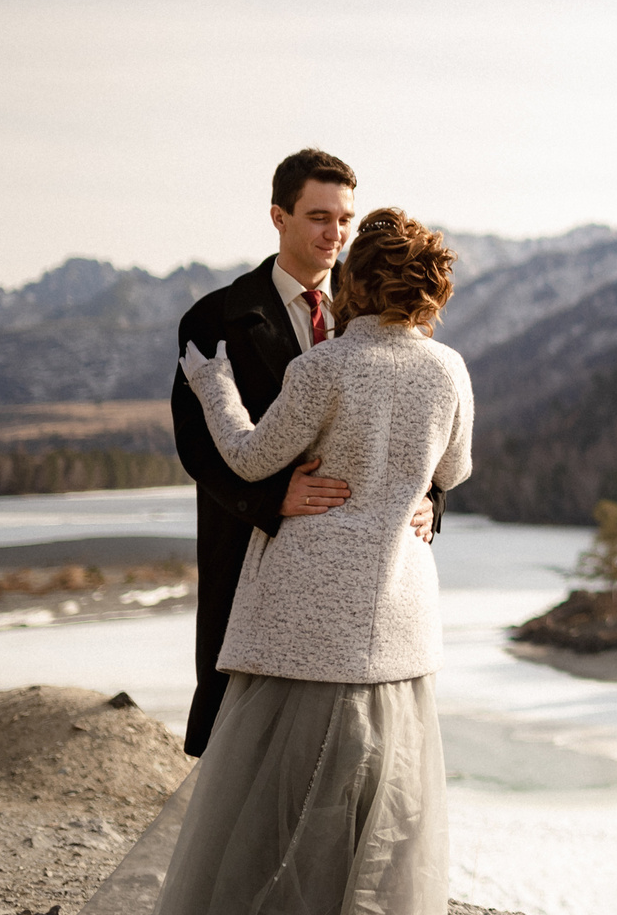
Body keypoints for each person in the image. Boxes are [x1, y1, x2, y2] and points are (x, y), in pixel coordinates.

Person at [79, 207, 474, 915]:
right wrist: (411, 490)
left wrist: (213, 386)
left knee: (274, 797)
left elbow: (252, 455)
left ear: (359, 280)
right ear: (430, 289)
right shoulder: (450, 370)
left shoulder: (327, 365)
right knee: (380, 797)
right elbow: (455, 470)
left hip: (308, 606)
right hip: (397, 607)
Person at [171, 148, 436, 757]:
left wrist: (432, 499)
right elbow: (197, 447)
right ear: (279, 217)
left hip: (365, 579)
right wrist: (273, 496)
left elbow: (424, 417)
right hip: (249, 543)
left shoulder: (384, 306)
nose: (334, 234)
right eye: (319, 217)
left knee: (352, 747)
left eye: (344, 219)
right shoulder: (214, 319)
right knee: (241, 739)